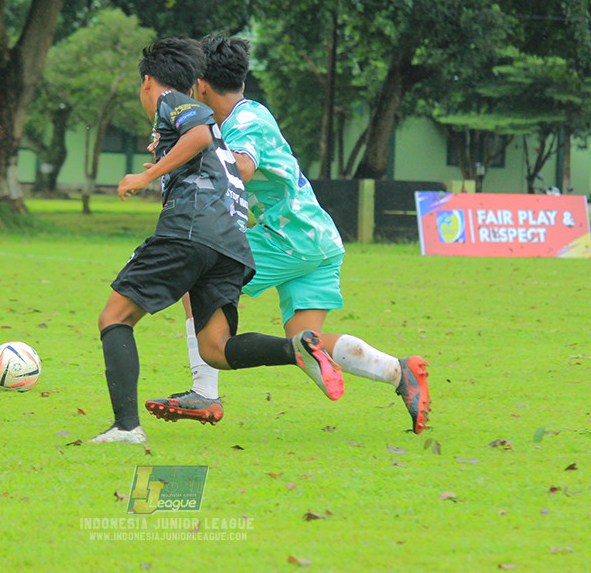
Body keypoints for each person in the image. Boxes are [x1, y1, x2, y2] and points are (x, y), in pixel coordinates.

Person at [144, 35, 431, 434]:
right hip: (317, 240)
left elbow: (240, 168)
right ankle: (399, 373)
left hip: (288, 237)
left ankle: (204, 392)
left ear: (202, 86)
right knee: (305, 342)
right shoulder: (246, 115)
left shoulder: (245, 122)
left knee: (196, 282)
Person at [90, 37, 343, 444]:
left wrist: (146, 176)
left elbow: (200, 136)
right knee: (216, 349)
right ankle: (296, 348)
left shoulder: (172, 101)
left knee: (114, 318)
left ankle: (125, 428)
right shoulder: (207, 118)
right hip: (229, 243)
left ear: (147, 82)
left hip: (191, 229)